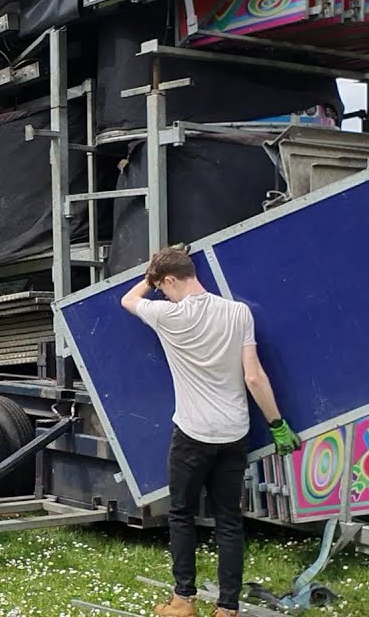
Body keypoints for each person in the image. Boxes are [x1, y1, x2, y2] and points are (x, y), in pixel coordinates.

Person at [121, 247, 301, 617]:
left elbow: (128, 299)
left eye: (163, 287)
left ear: (170, 280)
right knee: (229, 521)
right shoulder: (239, 313)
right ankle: (227, 609)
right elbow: (254, 376)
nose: (162, 294)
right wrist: (277, 424)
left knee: (182, 515)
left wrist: (148, 278)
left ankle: (183, 601)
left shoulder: (165, 316)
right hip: (234, 432)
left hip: (191, 434)